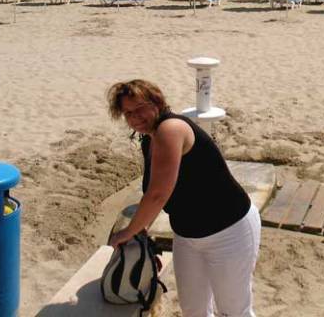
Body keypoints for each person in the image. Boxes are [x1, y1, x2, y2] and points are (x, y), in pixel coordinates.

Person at [107, 80, 260, 317]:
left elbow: (158, 194)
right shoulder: (149, 138)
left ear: (156, 102)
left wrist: (129, 231)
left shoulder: (171, 129)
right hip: (188, 236)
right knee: (193, 310)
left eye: (139, 108)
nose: (135, 117)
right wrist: (142, 227)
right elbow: (156, 193)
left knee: (233, 311)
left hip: (229, 231)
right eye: (128, 113)